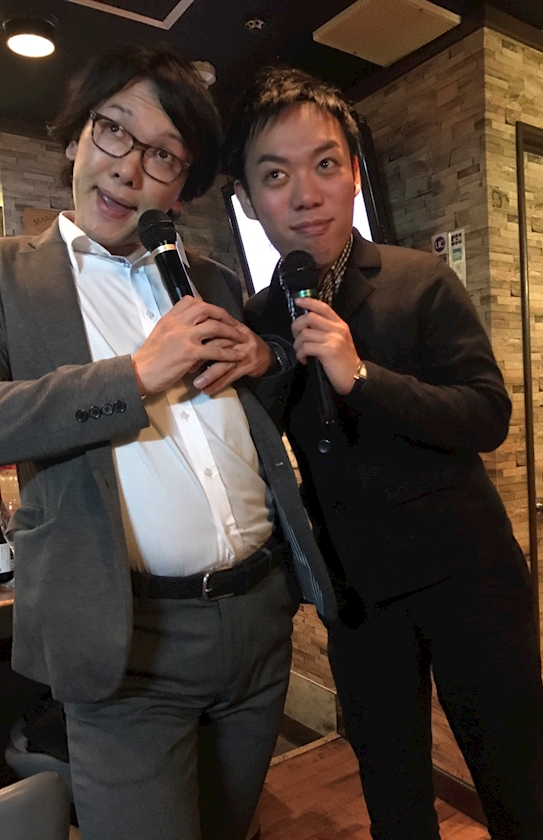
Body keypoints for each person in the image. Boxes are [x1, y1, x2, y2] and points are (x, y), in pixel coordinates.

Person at [0, 47, 336, 840]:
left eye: (162, 155)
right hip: (127, 645)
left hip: (259, 618)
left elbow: (262, 399)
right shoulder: (11, 276)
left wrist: (267, 359)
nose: (128, 167)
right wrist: (136, 374)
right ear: (76, 137)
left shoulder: (212, 280)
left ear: (179, 188)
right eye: (113, 130)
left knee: (232, 826)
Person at [224, 67, 543, 840]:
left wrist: (362, 377)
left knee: (516, 791)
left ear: (352, 172)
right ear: (246, 198)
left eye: (324, 163)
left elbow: (487, 415)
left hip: (469, 580)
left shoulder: (421, 280)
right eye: (275, 175)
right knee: (394, 804)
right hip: (358, 599)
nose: (305, 194)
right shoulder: (257, 318)